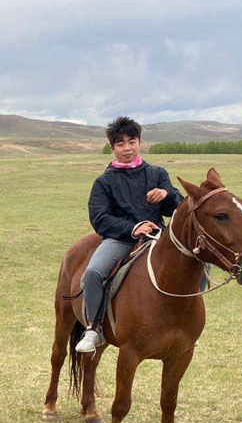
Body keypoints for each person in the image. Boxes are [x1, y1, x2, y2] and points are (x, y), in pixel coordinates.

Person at [77, 116, 183, 353]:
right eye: (120, 144)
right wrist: (131, 228)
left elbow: (179, 207)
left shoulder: (157, 173)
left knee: (195, 263)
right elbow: (99, 217)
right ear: (112, 148)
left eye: (131, 142)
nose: (127, 148)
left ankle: (186, 325)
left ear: (139, 142)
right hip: (120, 239)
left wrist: (166, 195)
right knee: (93, 273)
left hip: (157, 237)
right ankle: (93, 328)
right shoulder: (104, 181)